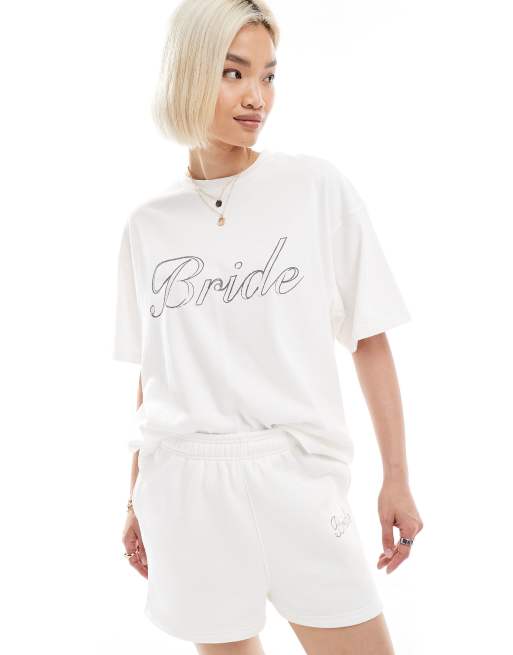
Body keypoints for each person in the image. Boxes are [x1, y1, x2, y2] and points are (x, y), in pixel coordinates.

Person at [113, 1, 423, 653]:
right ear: (188, 72)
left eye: (268, 75)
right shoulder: (148, 225)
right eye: (233, 73)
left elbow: (368, 337)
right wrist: (133, 495)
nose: (257, 96)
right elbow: (156, 368)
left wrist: (395, 475)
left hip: (298, 477)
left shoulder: (313, 188)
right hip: (185, 488)